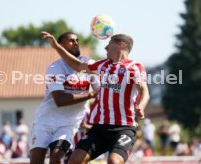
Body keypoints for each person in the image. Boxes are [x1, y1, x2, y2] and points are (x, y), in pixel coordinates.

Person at [41, 31, 150, 164]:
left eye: (109, 44)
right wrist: (57, 47)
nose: (105, 48)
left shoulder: (134, 67)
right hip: (100, 127)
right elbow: (77, 65)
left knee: (114, 161)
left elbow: (144, 90)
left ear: (120, 45)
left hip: (124, 128)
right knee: (74, 160)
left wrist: (141, 106)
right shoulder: (102, 65)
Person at [30, 32, 99, 164]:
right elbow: (60, 100)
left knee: (56, 157)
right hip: (45, 121)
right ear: (60, 46)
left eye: (77, 40)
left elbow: (101, 91)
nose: (76, 43)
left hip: (69, 123)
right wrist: (90, 95)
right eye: (71, 41)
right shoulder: (54, 68)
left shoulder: (89, 63)